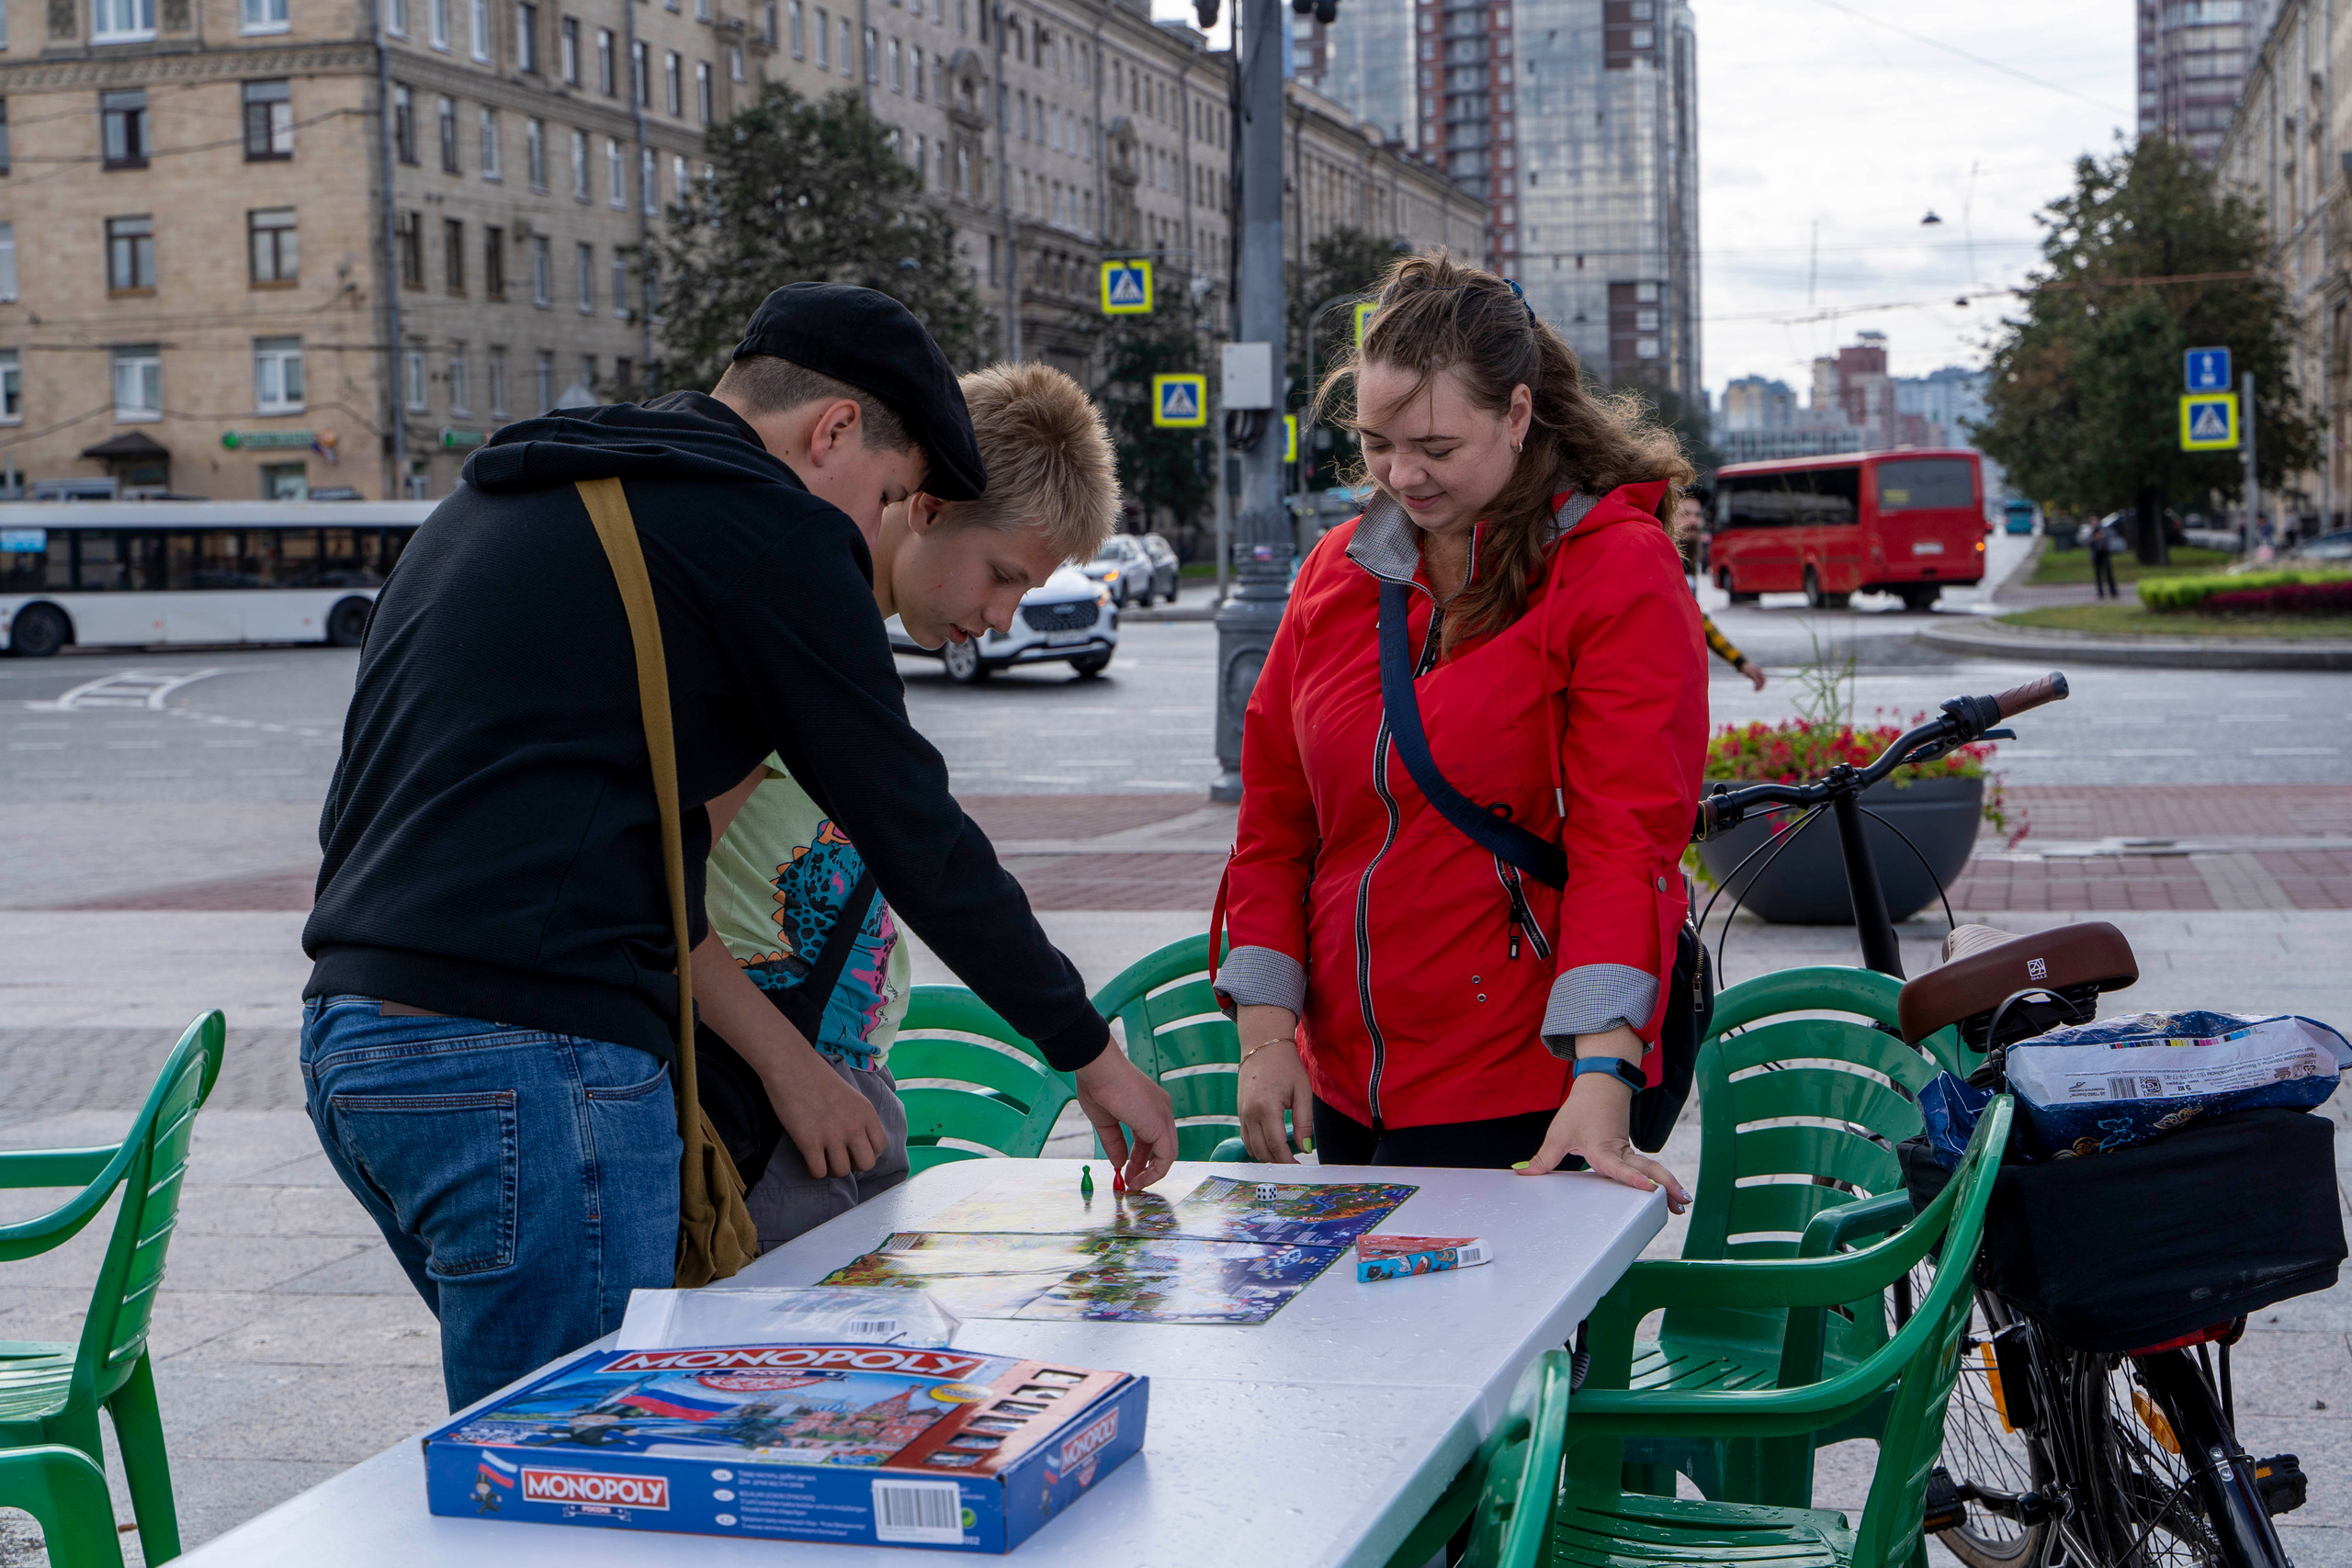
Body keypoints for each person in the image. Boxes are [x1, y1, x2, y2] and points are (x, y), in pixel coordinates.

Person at [300, 284, 1175, 1411]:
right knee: (579, 1471)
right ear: (834, 433)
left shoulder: (516, 493)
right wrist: (1086, 1050)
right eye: (893, 496)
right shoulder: (769, 523)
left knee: (525, 1455)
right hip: (535, 1061)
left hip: (358, 1042)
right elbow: (914, 827)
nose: (873, 528)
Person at [1217, 252, 1701, 1204]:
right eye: (1375, 443)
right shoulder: (1334, 573)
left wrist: (1602, 1076)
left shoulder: (1613, 569)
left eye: (1436, 447)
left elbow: (1625, 843)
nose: (1402, 475)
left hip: (1518, 1077)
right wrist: (1267, 1037)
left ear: (1517, 414)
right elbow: (1273, 829)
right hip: (1348, 1084)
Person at [692, 362, 1120, 1249]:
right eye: (1001, 575)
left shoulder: (845, 645)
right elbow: (655, 895)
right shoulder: (787, 643)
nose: (1003, 618)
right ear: (925, 505)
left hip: (832, 1080)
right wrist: (792, 1071)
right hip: (763, 1092)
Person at [1671, 492, 1767, 691]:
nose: (1694, 521)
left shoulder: (1688, 563)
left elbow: (1697, 620)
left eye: (1698, 515)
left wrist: (1740, 662)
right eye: (1685, 514)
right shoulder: (1663, 558)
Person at [2088, 512, 2121, 598]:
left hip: (2104, 554)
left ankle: (2113, 591)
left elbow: (2107, 541)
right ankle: (2100, 592)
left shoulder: (2103, 531)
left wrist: (2100, 538)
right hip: (2096, 555)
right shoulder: (2092, 532)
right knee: (2098, 575)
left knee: (2108, 573)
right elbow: (2090, 544)